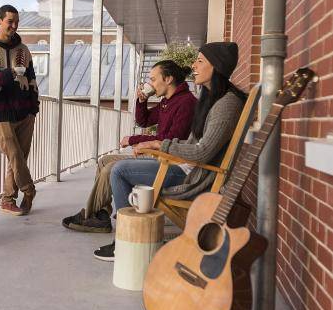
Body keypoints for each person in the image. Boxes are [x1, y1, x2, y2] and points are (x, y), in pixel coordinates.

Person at [94, 42, 245, 261]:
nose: (193, 65)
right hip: (183, 165)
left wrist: (158, 145)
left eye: (200, 61)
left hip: (191, 175)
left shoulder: (225, 105)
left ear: (217, 66)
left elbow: (202, 152)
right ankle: (132, 233)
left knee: (118, 170)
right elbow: (148, 122)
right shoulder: (211, 99)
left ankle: (125, 242)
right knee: (117, 167)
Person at [62, 60, 196, 234]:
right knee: (105, 161)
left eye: (153, 79)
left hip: (170, 162)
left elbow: (169, 140)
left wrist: (134, 139)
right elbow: (144, 121)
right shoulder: (167, 101)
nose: (151, 84)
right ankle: (101, 213)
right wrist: (142, 101)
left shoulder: (186, 103)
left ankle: (91, 215)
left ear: (168, 79)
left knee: (112, 168)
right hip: (159, 156)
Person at [0, 5, 39, 215]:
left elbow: (31, 79)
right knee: (14, 154)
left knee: (20, 156)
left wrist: (33, 107)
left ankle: (8, 198)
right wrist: (9, 74)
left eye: (16, 22)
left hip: (25, 111)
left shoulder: (24, 50)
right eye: (10, 21)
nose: (14, 26)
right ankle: (29, 190)